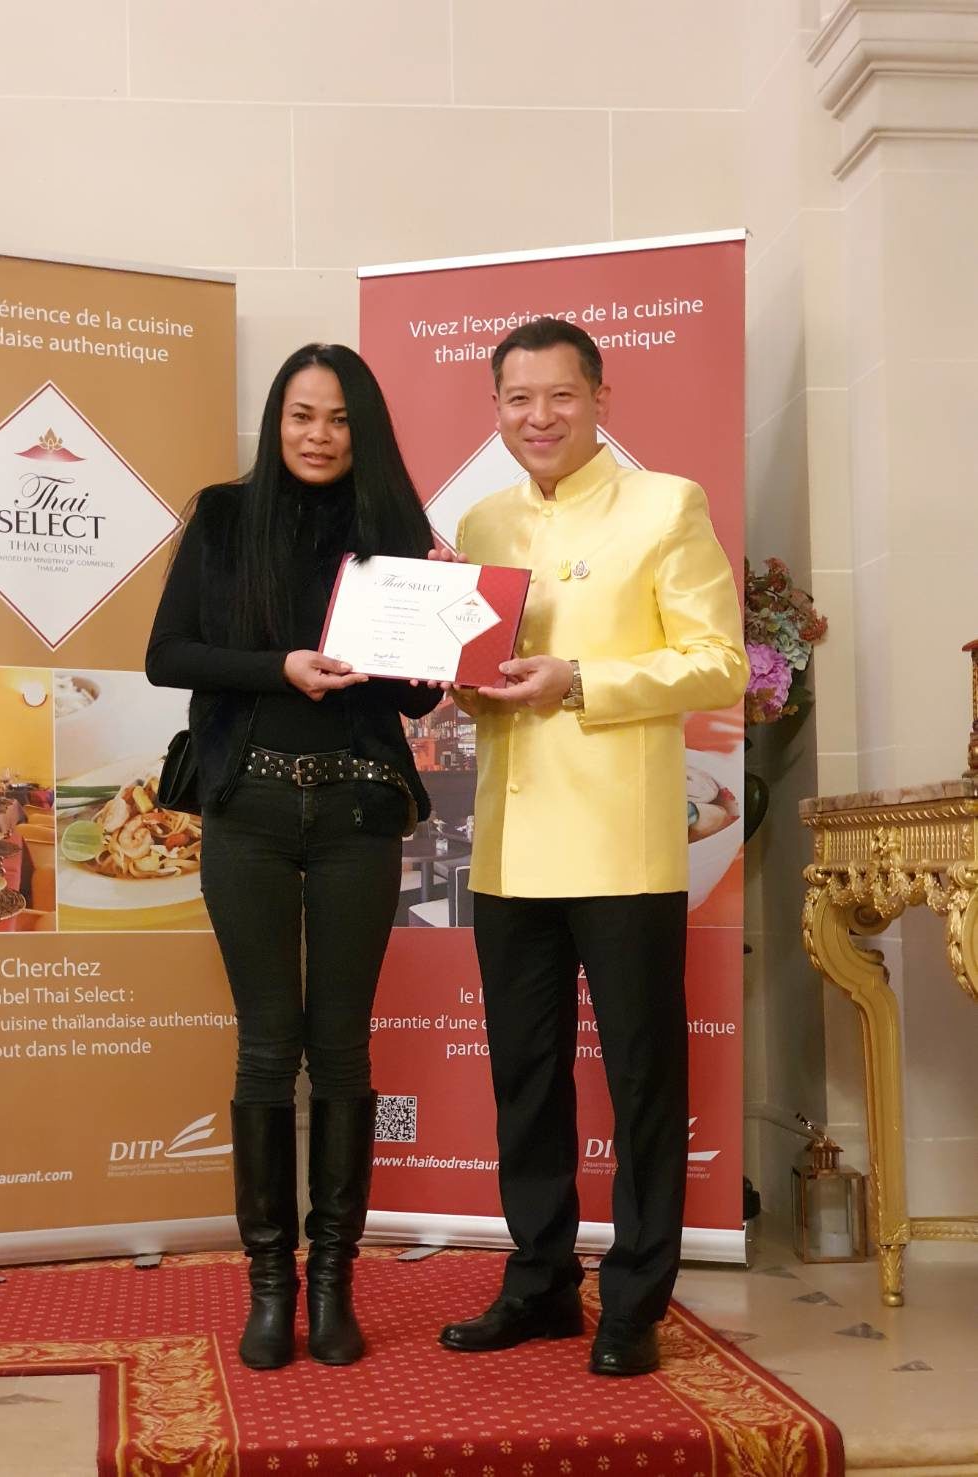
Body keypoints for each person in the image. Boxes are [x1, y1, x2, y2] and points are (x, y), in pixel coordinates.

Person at [433, 318, 748, 1376]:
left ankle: (634, 1300)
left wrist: (583, 681)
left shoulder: (665, 504)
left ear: (601, 399)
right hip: (510, 841)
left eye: (560, 395)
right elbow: (480, 672)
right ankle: (537, 1283)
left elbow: (718, 662)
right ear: (496, 408)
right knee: (525, 1077)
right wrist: (456, 675)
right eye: (517, 398)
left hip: (621, 841)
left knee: (642, 1077)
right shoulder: (479, 520)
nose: (539, 417)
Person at [146, 344, 440, 1370]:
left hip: (358, 810)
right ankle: (269, 1286)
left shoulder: (394, 530)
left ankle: (334, 1286)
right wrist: (280, 668)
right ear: (276, 420)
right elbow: (167, 655)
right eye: (301, 414)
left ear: (366, 430)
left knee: (344, 1047)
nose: (319, 435)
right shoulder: (224, 518)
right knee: (268, 1047)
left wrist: (444, 612)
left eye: (340, 419)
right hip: (250, 810)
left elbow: (416, 697)